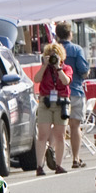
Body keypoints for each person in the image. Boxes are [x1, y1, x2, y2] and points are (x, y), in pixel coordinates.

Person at [32, 41, 73, 177]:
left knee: (60, 135)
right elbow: (36, 79)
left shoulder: (66, 68)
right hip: (46, 102)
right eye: (50, 56)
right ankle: (39, 165)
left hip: (61, 103)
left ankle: (59, 165)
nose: (53, 58)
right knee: (42, 134)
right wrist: (45, 66)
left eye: (55, 55)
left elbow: (66, 81)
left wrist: (58, 67)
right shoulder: (45, 69)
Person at [55, 22, 90, 170]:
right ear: (70, 34)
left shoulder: (53, 50)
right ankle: (75, 158)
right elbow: (83, 70)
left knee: (59, 129)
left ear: (57, 34)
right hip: (75, 90)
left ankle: (58, 161)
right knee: (75, 128)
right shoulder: (76, 49)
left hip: (57, 93)